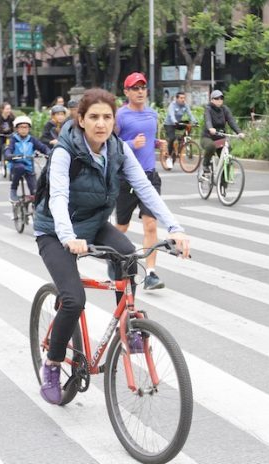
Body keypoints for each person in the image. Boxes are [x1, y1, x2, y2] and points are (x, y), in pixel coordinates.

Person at [33, 88, 190, 405]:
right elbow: (59, 198)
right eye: (94, 117)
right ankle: (51, 365)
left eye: (107, 117)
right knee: (73, 300)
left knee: (128, 256)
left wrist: (175, 227)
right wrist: (67, 237)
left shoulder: (118, 149)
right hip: (55, 230)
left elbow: (144, 187)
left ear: (114, 120)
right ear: (81, 119)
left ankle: (128, 326)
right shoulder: (66, 152)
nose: (101, 123)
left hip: (93, 224)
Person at [113, 72, 168, 290]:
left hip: (149, 176)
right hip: (126, 178)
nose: (139, 92)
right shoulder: (120, 116)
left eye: (142, 87)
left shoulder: (152, 115)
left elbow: (148, 141)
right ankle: (114, 258)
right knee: (122, 226)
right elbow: (111, 144)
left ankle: (151, 274)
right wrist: (131, 144)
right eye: (135, 88)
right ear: (126, 92)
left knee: (151, 224)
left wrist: (157, 144)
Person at [4, 115, 50, 202]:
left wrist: (49, 153)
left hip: (29, 166)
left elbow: (43, 147)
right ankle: (13, 190)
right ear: (17, 129)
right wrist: (9, 155)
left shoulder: (32, 139)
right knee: (20, 167)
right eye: (21, 127)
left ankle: (35, 209)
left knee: (35, 192)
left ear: (29, 129)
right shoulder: (13, 139)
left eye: (26, 127)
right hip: (16, 165)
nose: (24, 129)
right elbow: (8, 150)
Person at [201, 90, 245, 170]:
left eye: (221, 98)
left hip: (220, 138)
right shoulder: (208, 109)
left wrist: (239, 132)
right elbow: (208, 120)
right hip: (207, 137)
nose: (219, 100)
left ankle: (222, 182)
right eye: (216, 98)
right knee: (211, 146)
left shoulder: (225, 109)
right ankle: (205, 164)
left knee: (227, 157)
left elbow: (232, 122)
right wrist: (210, 128)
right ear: (212, 100)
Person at [164, 91, 198, 167]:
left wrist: (195, 122)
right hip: (169, 124)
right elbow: (171, 115)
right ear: (177, 98)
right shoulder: (172, 105)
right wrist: (174, 121)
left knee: (189, 124)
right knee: (172, 138)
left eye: (184, 98)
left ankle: (182, 139)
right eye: (181, 98)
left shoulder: (185, 105)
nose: (183, 99)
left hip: (178, 123)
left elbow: (190, 114)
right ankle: (169, 158)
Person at [0, 102, 15, 169]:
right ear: (2, 110)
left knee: (13, 147)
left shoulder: (12, 116)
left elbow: (15, 126)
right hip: (0, 135)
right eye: (7, 109)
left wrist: (16, 132)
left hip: (10, 135)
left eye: (10, 109)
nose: (9, 110)